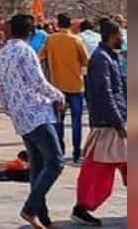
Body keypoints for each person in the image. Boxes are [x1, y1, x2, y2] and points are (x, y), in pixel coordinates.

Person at [0, 13, 67, 229]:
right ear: (30, 31)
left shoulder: (2, 53)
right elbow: (38, 82)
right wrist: (58, 95)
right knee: (55, 162)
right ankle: (30, 208)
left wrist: (10, 108)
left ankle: (42, 217)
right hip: (37, 113)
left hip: (20, 116)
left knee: (37, 165)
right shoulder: (26, 51)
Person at [72, 19, 128, 226]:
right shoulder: (101, 59)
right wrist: (118, 123)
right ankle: (81, 208)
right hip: (108, 124)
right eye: (120, 35)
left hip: (116, 120)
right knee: (97, 169)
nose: (122, 38)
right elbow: (105, 94)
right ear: (113, 36)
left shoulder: (109, 57)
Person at [41, 12, 90, 164]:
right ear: (70, 24)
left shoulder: (50, 39)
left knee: (58, 120)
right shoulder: (76, 40)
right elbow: (86, 61)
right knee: (76, 121)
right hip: (76, 85)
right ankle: (76, 152)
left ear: (57, 24)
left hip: (57, 86)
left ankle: (60, 150)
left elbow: (40, 56)